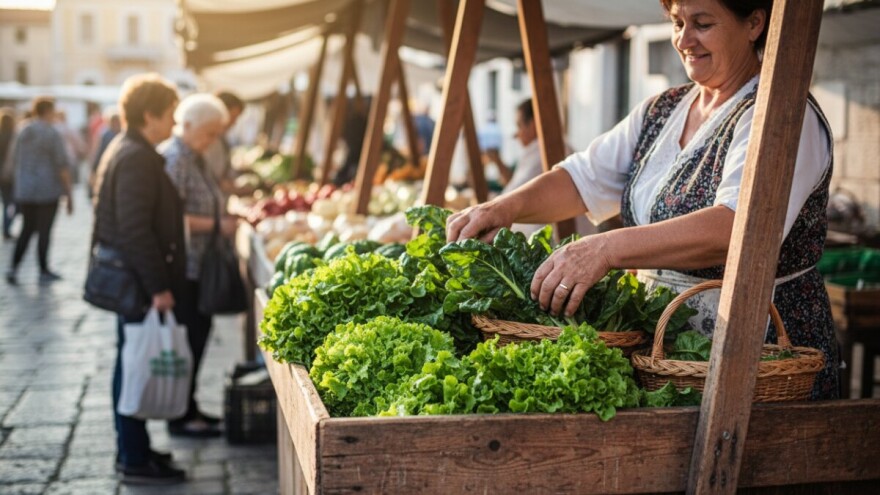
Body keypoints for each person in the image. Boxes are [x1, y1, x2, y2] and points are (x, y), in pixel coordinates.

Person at [447, 0, 839, 400]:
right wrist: (503, 208)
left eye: (702, 24)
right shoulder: (663, 109)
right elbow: (583, 178)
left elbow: (736, 227)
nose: (684, 39)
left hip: (763, 354)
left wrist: (606, 248)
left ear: (755, 23)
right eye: (677, 23)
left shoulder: (785, 117)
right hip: (664, 350)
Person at [91, 73, 186, 484]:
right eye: (170, 115)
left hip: (134, 280)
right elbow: (134, 229)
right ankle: (133, 456)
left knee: (131, 363)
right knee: (133, 366)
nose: (173, 124)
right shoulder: (135, 157)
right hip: (135, 283)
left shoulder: (131, 149)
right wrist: (158, 288)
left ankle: (135, 448)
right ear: (149, 115)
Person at [162, 93, 237, 438]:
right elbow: (171, 219)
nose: (212, 141)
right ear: (188, 125)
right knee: (189, 339)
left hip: (201, 264)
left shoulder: (196, 157)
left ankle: (189, 407)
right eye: (208, 133)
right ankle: (181, 415)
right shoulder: (175, 160)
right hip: (186, 268)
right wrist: (216, 225)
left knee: (199, 336)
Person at [5, 97, 72, 285]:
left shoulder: (23, 130)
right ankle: (43, 269)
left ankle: (14, 267)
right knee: (44, 231)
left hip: (26, 189)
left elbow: (13, 158)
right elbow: (62, 165)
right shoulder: (52, 133)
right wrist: (69, 193)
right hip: (47, 190)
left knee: (26, 229)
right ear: (48, 111)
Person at [202, 91, 245, 196]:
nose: (234, 123)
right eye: (233, 117)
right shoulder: (206, 141)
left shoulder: (222, 139)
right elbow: (208, 179)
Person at [0, 108, 17, 240]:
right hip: (10, 174)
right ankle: (6, 227)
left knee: (6, 203)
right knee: (14, 203)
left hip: (4, 175)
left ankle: (6, 227)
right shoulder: (14, 136)